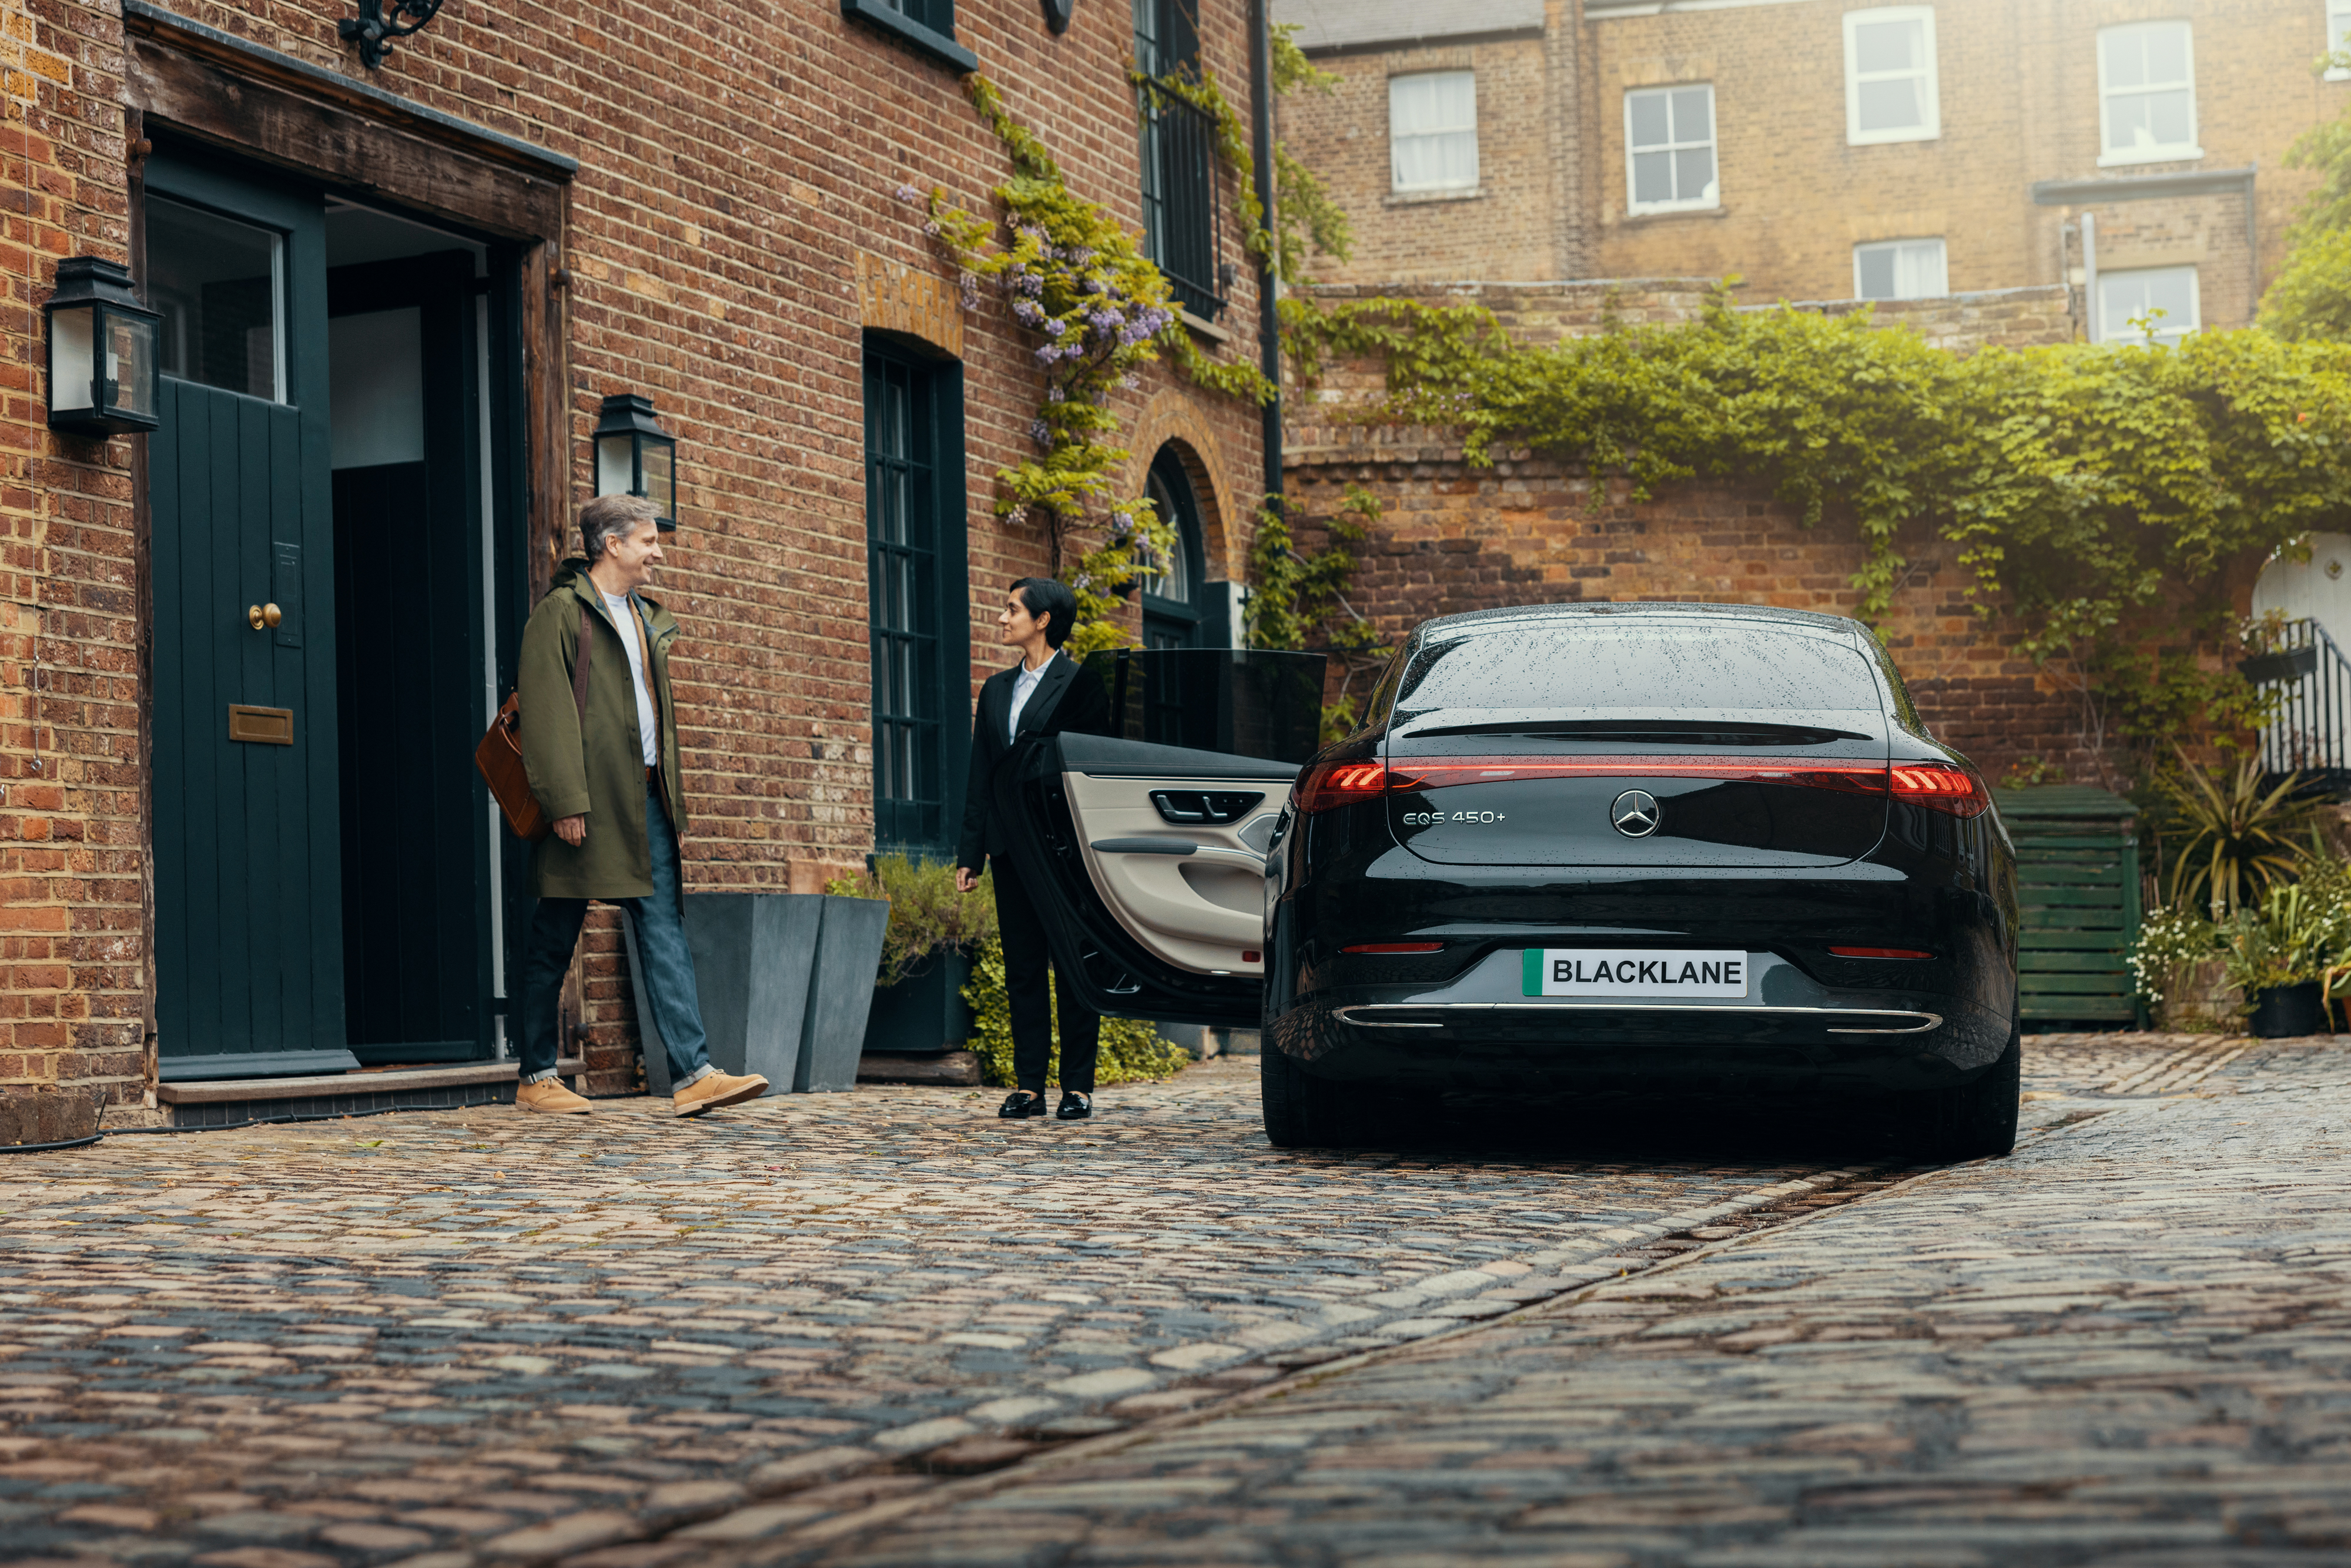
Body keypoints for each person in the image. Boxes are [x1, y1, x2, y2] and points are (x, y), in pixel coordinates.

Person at [512, 494, 769, 1118]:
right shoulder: (559, 615)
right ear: (613, 545)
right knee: (555, 934)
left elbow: (656, 719)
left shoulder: (644, 615)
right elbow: (545, 714)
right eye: (649, 540)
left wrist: (672, 802)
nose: (657, 551)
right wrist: (565, 801)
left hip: (644, 797)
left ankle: (693, 1073)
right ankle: (537, 1074)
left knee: (662, 928)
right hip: (585, 801)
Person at [955, 578, 1111, 1121]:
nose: (1002, 618)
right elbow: (981, 773)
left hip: (1064, 852)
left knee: (1071, 967)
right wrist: (970, 854)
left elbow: (1089, 768)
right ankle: (1028, 1087)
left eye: (1012, 609)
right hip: (1010, 850)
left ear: (1043, 620)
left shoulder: (1082, 683)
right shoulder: (996, 690)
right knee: (1022, 968)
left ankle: (1077, 1086)